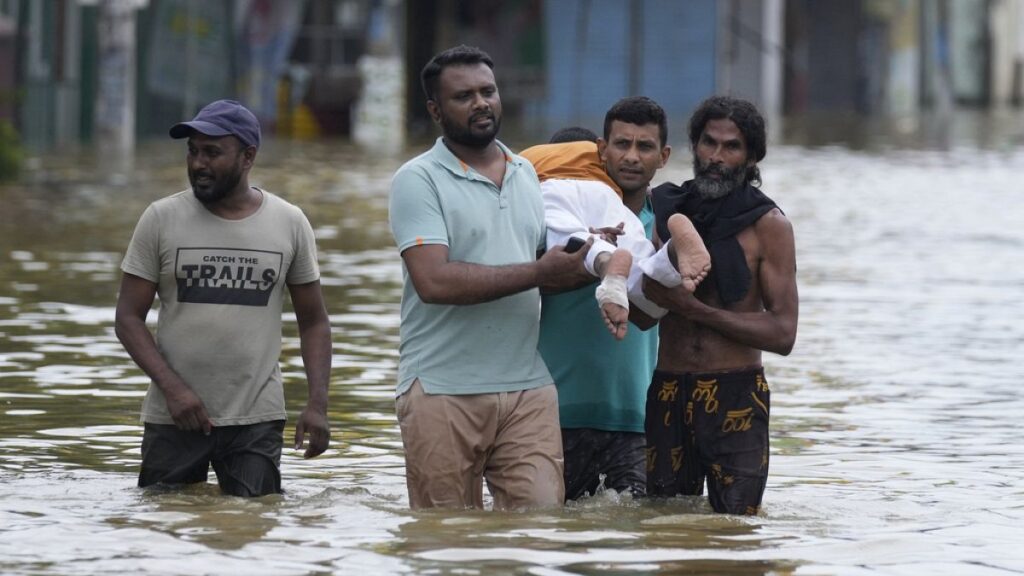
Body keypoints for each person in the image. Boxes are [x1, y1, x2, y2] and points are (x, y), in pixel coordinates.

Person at [388, 45, 590, 510]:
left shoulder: (525, 174)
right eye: (464, 96)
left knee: (540, 529)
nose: (481, 103)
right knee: (446, 540)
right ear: (436, 110)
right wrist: (540, 270)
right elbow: (433, 282)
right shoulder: (417, 180)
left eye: (488, 91)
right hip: (442, 388)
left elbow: (543, 269)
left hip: (527, 387)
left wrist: (591, 253)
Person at [115, 99, 332, 497]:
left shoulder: (290, 223)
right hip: (173, 416)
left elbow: (314, 322)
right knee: (167, 534)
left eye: (212, 152)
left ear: (248, 156)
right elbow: (128, 318)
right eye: (193, 151)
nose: (198, 163)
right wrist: (173, 390)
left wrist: (317, 405)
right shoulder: (160, 219)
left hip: (256, 417)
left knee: (252, 530)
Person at [643, 95, 798, 515]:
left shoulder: (770, 227)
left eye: (731, 147)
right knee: (663, 528)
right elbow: (640, 317)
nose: (716, 156)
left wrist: (696, 311)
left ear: (751, 156)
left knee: (737, 530)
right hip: (668, 388)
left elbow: (784, 334)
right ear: (693, 146)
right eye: (708, 143)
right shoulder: (664, 208)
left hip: (737, 395)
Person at [526, 97, 683, 501]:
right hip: (551, 416)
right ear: (600, 150)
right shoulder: (544, 221)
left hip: (635, 419)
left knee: (630, 548)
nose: (631, 157)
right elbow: (515, 283)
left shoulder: (666, 222)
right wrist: (587, 254)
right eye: (621, 145)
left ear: (663, 156)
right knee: (546, 546)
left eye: (644, 147)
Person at [521, 118, 710, 341]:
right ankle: (671, 253)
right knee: (644, 270)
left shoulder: (529, 164)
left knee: (571, 234)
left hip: (551, 192)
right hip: (604, 194)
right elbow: (647, 318)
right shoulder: (618, 198)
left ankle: (604, 260)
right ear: (601, 153)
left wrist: (593, 240)